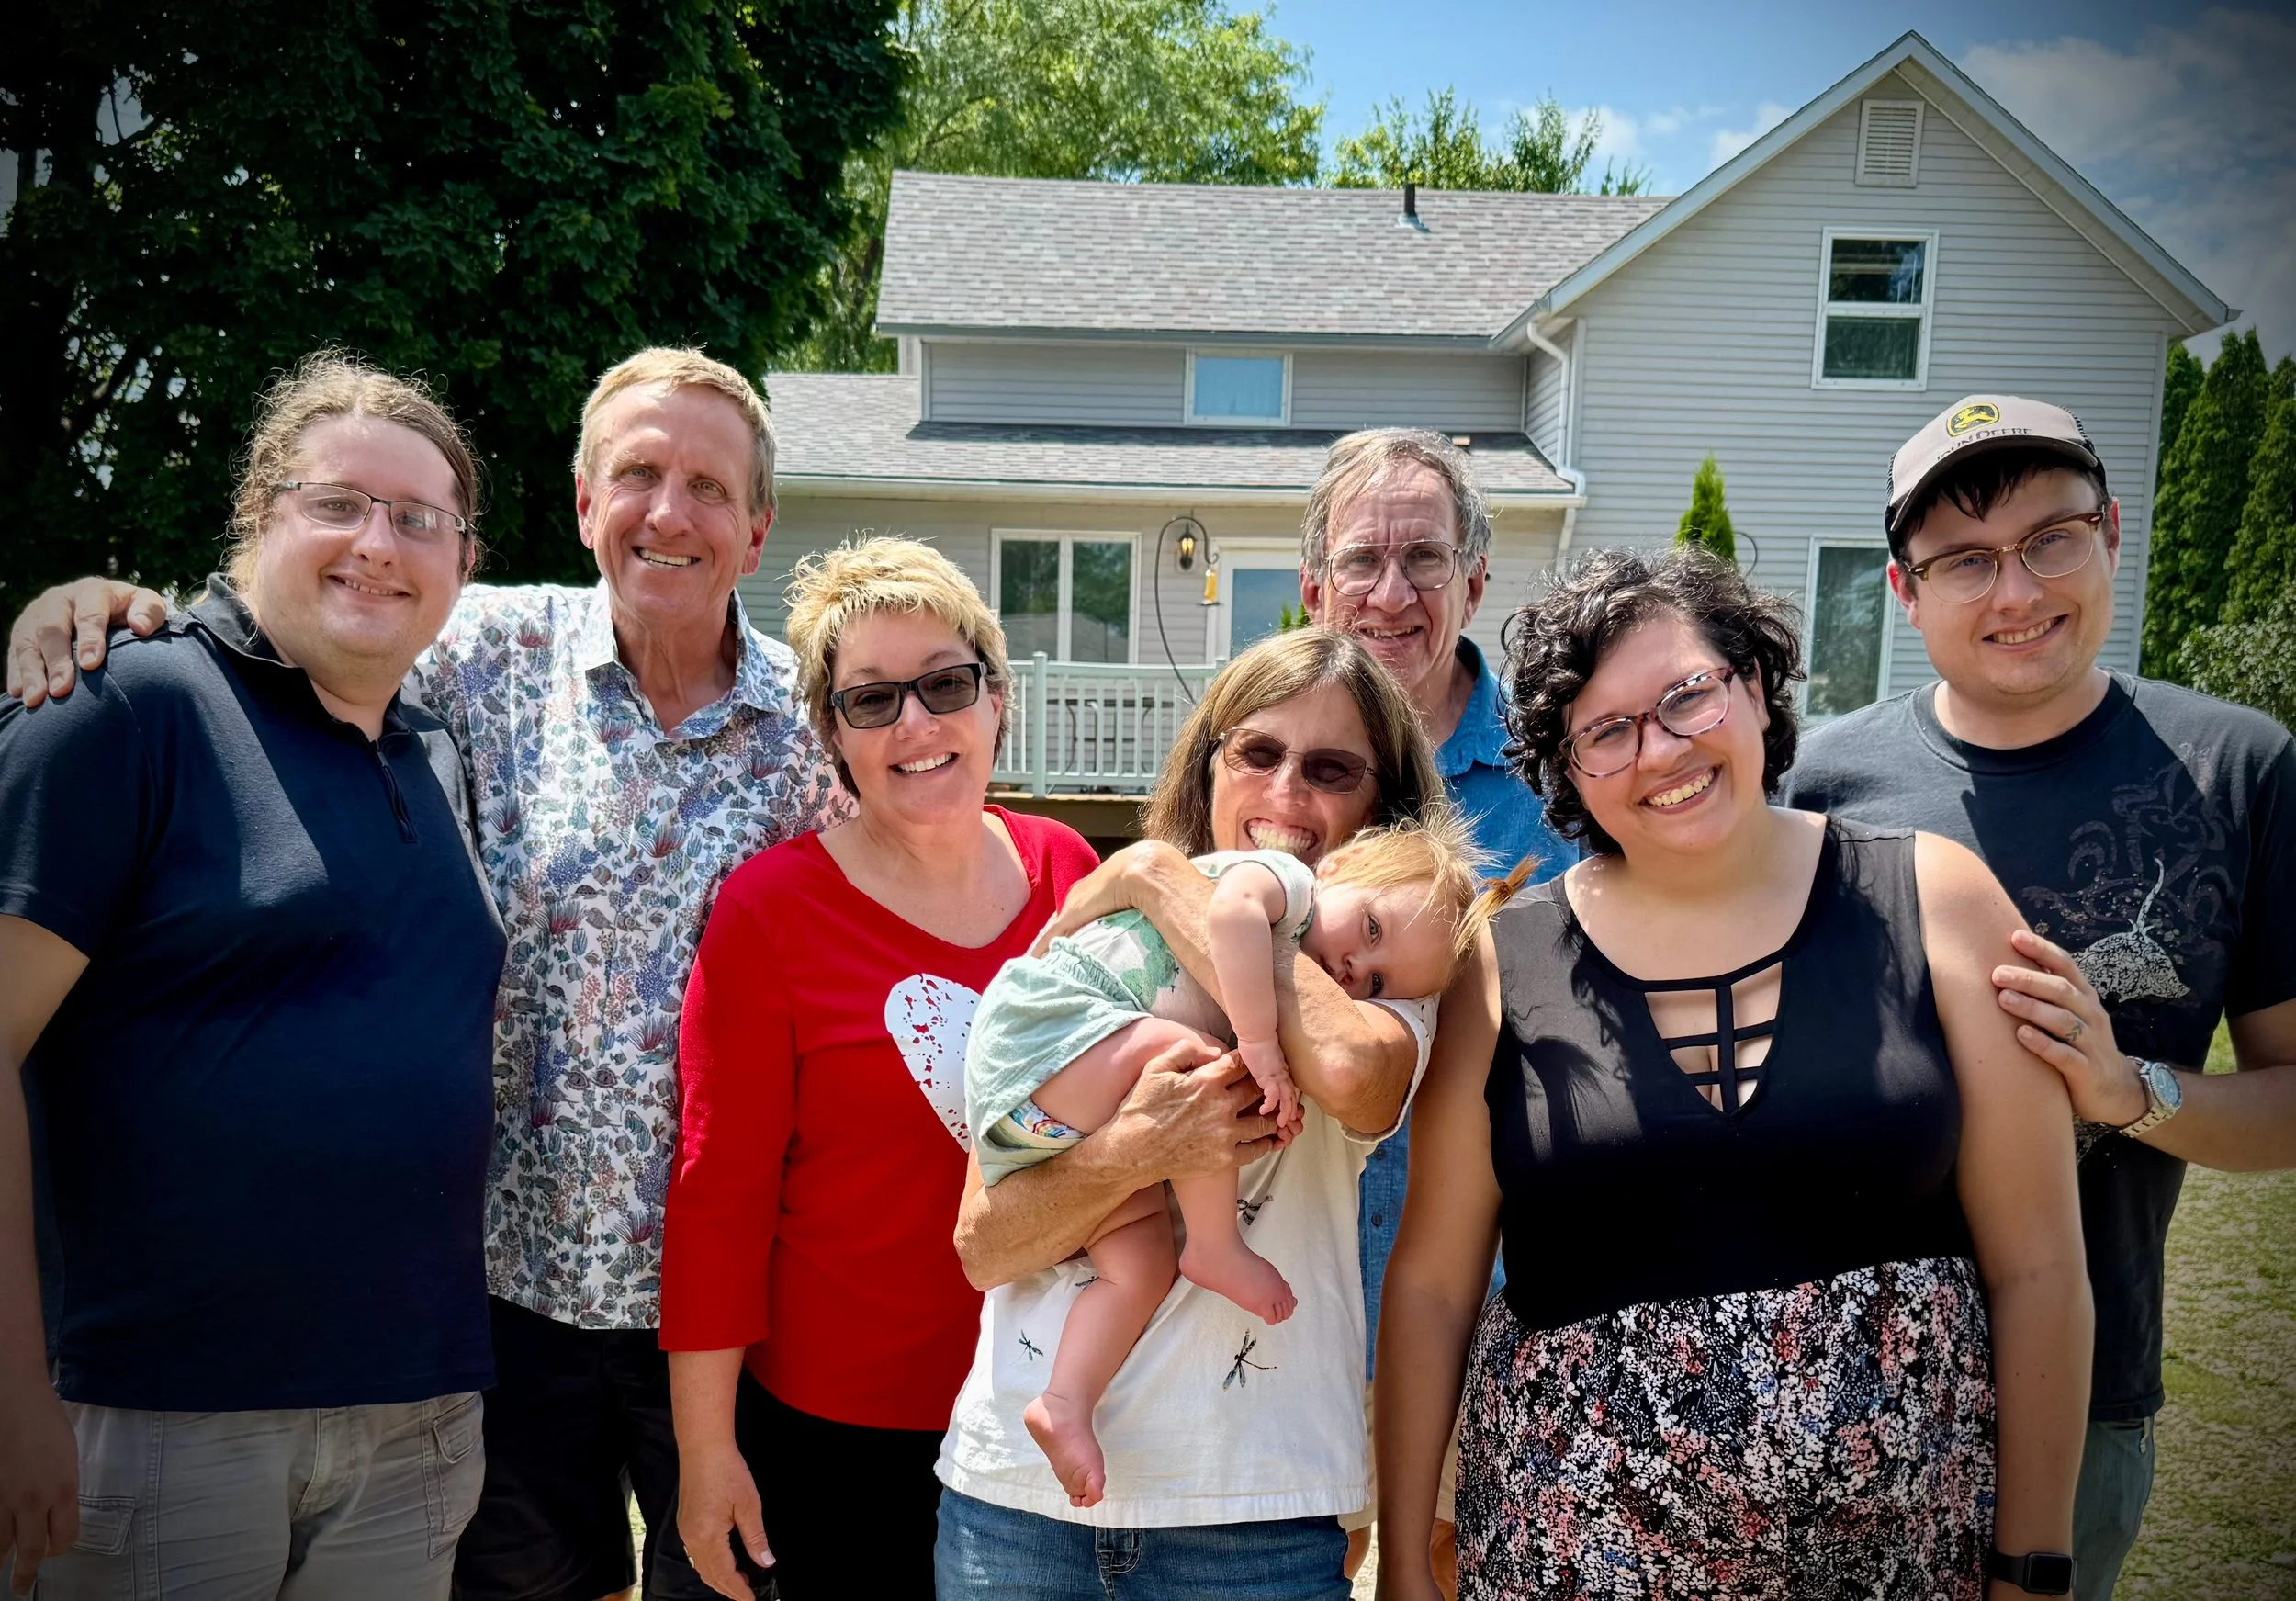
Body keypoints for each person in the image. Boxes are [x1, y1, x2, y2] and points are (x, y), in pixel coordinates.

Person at [6, 347, 847, 1601]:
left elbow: (936, 860)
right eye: (638, 474)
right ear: (582, 503)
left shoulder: (825, 727)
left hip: (725, 1309)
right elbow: (292, 620)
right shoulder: (479, 650)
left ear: (759, 525)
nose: (669, 512)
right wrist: (94, 604)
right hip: (498, 1302)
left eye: (710, 487)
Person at [1379, 547, 2094, 1601]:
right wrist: (1403, 1563)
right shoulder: (1500, 962)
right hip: (1575, 1556)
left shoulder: (1936, 899)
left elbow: (2038, 1267)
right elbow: (1435, 1286)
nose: (1658, 750)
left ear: (1753, 688)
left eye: (1685, 695)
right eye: (1605, 732)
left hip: (1898, 1561)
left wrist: (2030, 1568)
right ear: (1567, 770)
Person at [0, 355, 505, 1598]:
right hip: (158, 1413)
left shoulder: (438, 754)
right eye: (338, 503)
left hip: (418, 1411)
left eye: (418, 519)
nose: (378, 544)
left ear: (463, 562)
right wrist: (11, 1393)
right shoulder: (119, 710)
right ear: (257, 517)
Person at [1782, 395, 2296, 1599]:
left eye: (2049, 538)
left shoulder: (2239, 769)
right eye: (1966, 559)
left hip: (2085, 1398)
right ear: (1906, 591)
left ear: (2111, 532)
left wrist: (2133, 1089)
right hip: (1823, 1371)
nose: (2015, 592)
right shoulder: (1818, 780)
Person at [936, 626, 1469, 1599]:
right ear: (1209, 759)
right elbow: (983, 1245)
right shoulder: (1115, 943)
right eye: (1257, 752)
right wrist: (1136, 1150)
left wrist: (1159, 874)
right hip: (1012, 1502)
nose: (1285, 793)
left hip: (1247, 1516)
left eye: (1332, 769)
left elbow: (1351, 1071)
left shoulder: (1386, 979)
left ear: (1379, 816)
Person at [658, 538, 1100, 1599]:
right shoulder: (771, 911)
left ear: (997, 700)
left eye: (946, 684)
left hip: (1039, 1422)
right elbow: (718, 1197)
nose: (916, 723)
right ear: (831, 735)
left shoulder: (1072, 876)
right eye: (871, 701)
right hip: (833, 1438)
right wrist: (706, 1452)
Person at [965, 813, 1503, 1508]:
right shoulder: (1284, 881)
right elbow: (1232, 915)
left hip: (1049, 1108)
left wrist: (1149, 873)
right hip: (1047, 1034)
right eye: (1369, 930)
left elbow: (1347, 1063)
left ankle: (1065, 1402)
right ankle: (1216, 1244)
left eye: (1377, 983)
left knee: (1138, 1263)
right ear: (1344, 865)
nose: (1355, 970)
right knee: (1195, 1065)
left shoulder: (1388, 1021)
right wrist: (1257, 1042)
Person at [1296, 427, 1571, 1585]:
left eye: (1425, 559)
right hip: (1280, 1301)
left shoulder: (1559, 784)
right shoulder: (1270, 760)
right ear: (1313, 588)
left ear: (1475, 580)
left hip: (1492, 1299)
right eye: (1361, 561)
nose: (1392, 593)